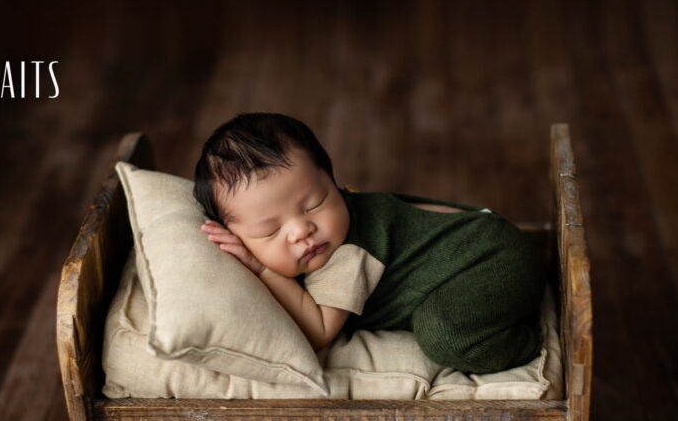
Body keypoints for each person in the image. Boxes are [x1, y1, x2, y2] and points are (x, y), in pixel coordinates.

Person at [194, 112, 546, 374]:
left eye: (314, 204)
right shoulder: (325, 231)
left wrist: (263, 269)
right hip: (488, 242)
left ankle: (533, 340)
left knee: (444, 335)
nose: (301, 231)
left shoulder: (348, 253)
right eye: (270, 231)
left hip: (493, 264)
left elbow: (318, 331)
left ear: (334, 182)